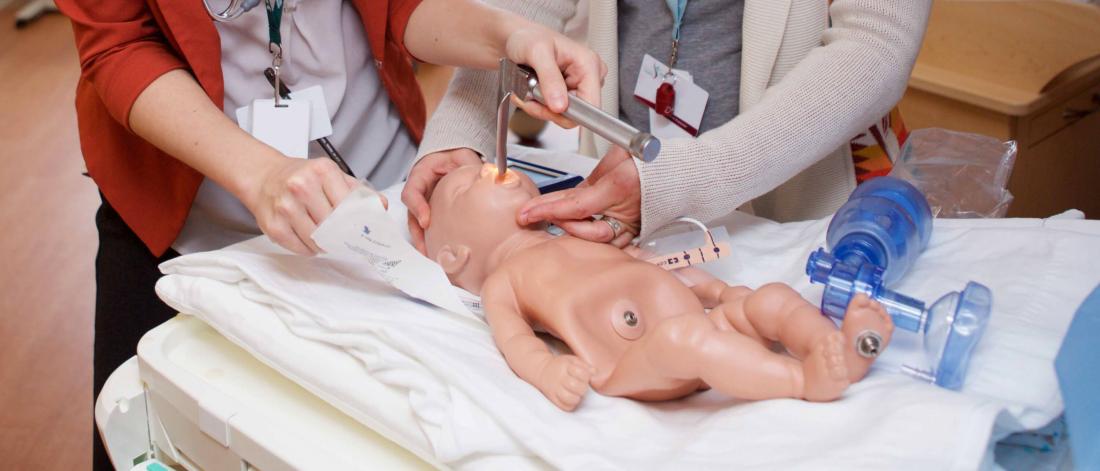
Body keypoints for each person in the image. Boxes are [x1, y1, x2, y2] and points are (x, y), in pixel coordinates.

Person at [57, 0, 604, 468]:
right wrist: (258, 173)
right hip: (185, 208)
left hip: (378, 189)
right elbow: (119, 44)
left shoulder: (433, 237)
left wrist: (506, 36)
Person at [404, 0, 931, 250]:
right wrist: (461, 132)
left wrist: (685, 179)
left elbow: (877, 42)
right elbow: (522, 12)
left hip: (799, 210)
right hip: (619, 206)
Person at [423, 163, 894, 411]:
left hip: (696, 320)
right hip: (635, 360)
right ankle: (803, 381)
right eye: (465, 188)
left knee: (769, 298)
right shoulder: (503, 282)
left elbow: (653, 264)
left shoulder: (573, 234)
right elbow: (515, 342)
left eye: (484, 164)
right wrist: (548, 373)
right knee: (685, 340)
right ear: (454, 256)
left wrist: (718, 294)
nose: (487, 169)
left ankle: (840, 351)